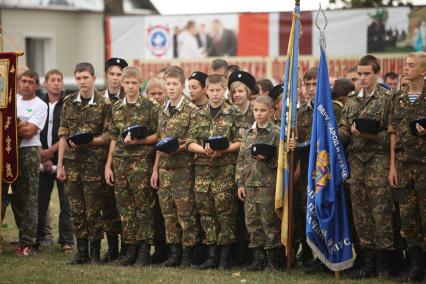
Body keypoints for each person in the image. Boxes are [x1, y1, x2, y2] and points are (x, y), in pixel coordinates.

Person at [340, 55, 395, 278]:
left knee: (381, 214)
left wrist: (367, 134)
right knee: (361, 215)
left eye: (367, 74)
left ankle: (386, 263)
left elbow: (392, 134)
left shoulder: (387, 98)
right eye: (359, 74)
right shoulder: (352, 100)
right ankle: (368, 261)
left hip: (378, 162)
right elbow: (344, 128)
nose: (362, 78)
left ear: (376, 73)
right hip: (356, 163)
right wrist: (333, 136)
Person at [186, 74, 245, 269]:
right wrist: (204, 150)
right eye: (211, 90)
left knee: (225, 213)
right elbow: (189, 141)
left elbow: (240, 141)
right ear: (206, 91)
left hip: (224, 170)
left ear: (224, 90)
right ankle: (211, 256)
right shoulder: (198, 113)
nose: (215, 94)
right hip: (203, 170)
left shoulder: (234, 112)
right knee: (206, 213)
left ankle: (224, 257)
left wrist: (223, 150)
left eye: (219, 90)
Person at [57, 62, 112, 264]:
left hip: (94, 165)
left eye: (85, 78)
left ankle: (95, 253)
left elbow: (109, 135)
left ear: (93, 79)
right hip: (72, 165)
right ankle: (82, 253)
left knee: (93, 210)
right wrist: (60, 165)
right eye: (78, 78)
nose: (82, 82)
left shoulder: (104, 104)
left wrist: (90, 141)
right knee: (76, 209)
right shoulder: (69, 102)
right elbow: (63, 134)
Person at [104, 66, 158, 266]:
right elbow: (113, 138)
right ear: (122, 84)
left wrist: (137, 142)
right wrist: (108, 165)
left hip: (141, 163)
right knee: (125, 207)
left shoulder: (150, 107)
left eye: (134, 83)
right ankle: (130, 248)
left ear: (140, 83)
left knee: (143, 206)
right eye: (127, 83)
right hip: (120, 163)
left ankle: (144, 249)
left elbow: (156, 136)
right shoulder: (116, 107)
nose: (130, 86)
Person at [236, 96, 295, 271]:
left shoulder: (277, 134)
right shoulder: (247, 133)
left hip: (268, 186)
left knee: (269, 222)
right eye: (255, 110)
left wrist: (267, 160)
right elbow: (241, 160)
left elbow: (282, 162)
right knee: (252, 223)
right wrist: (240, 183)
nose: (258, 114)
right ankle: (258, 258)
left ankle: (272, 260)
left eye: (263, 110)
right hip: (249, 186)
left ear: (271, 111)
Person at [150, 67, 200, 268]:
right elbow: (160, 143)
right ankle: (174, 253)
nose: (170, 88)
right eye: (168, 84)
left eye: (174, 84)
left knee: (185, 214)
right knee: (168, 214)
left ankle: (189, 254)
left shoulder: (191, 110)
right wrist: (155, 169)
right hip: (164, 169)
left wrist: (176, 149)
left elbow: (192, 139)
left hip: (183, 170)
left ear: (182, 85)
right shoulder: (162, 110)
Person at [389, 52, 426, 282]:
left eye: (411, 66)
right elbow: (392, 132)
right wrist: (392, 166)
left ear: (423, 71)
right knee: (408, 218)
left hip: (424, 165)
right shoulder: (397, 97)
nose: (405, 68)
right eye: (404, 64)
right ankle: (415, 267)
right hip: (403, 164)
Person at [37, 69, 74, 253]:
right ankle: (38, 237)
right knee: (40, 201)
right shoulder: (38, 102)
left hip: (62, 159)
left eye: (59, 80)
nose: (56, 83)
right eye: (52, 80)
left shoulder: (68, 103)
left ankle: (66, 240)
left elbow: (68, 133)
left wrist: (51, 151)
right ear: (45, 83)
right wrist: (41, 153)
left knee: (65, 202)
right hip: (40, 158)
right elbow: (33, 128)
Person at [13, 70, 48, 256]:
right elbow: (23, 127)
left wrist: (12, 123)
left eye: (30, 82)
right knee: (13, 198)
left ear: (36, 85)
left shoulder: (40, 106)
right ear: (18, 83)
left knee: (29, 198)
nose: (26, 85)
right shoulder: (12, 101)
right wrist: (21, 124)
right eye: (23, 81)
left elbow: (29, 132)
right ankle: (20, 237)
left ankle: (28, 243)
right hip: (9, 151)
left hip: (29, 152)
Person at [100, 57, 128, 263]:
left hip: (127, 161)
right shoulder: (99, 100)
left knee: (126, 206)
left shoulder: (133, 99)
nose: (116, 79)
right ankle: (112, 249)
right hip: (101, 159)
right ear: (106, 75)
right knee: (107, 205)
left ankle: (128, 248)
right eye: (113, 74)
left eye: (120, 74)